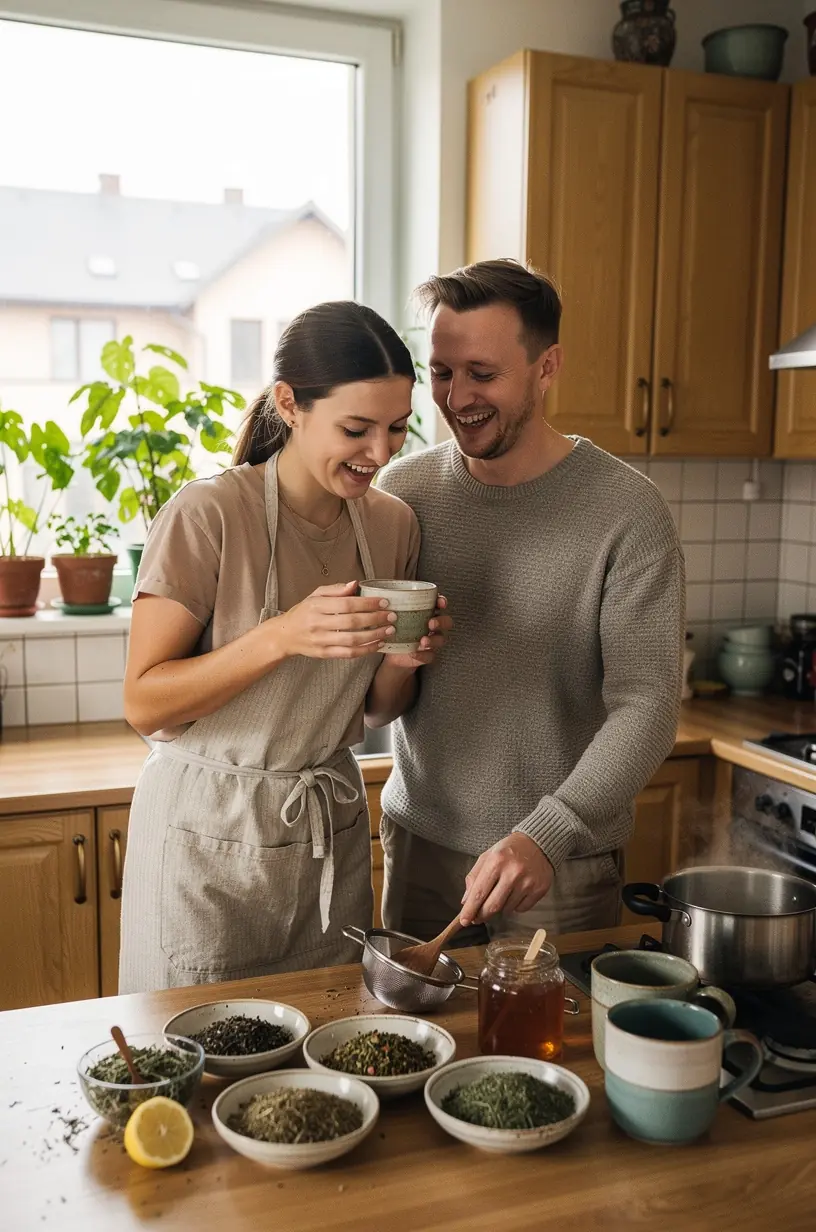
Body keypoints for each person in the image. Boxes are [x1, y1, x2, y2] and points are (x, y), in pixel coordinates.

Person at [118, 301, 450, 993]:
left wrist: (403, 659)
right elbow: (145, 704)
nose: (382, 454)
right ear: (290, 405)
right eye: (356, 429)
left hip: (326, 838)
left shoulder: (391, 525)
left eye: (397, 428)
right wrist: (278, 636)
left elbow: (374, 714)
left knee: (326, 1058)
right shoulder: (209, 514)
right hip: (207, 842)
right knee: (200, 1066)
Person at [369, 258, 685, 943]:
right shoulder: (403, 492)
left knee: (543, 1051)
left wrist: (549, 832)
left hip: (559, 866)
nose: (457, 398)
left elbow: (649, 703)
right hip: (421, 846)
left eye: (482, 374)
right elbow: (377, 684)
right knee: (413, 1045)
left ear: (547, 368)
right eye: (442, 373)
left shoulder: (627, 510)